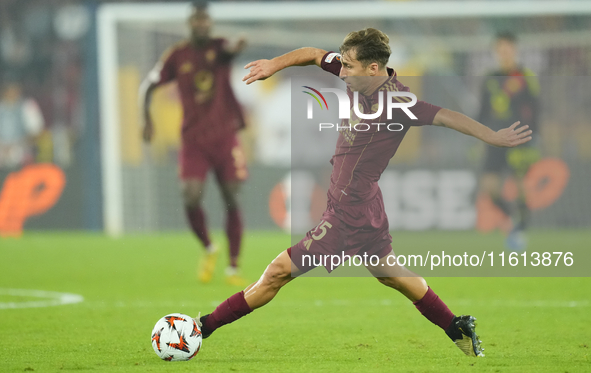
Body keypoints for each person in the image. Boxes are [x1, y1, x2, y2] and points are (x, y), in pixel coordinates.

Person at [194, 28, 533, 358]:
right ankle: (455, 326)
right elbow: (313, 54)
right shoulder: (356, 74)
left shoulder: (399, 102)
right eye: (341, 63)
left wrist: (493, 136)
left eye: (348, 67)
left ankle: (200, 328)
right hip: (365, 205)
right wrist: (274, 65)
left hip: (348, 214)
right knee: (392, 274)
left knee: (277, 273)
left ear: (373, 68)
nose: (341, 72)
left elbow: (447, 117)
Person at [140, 3, 248, 286]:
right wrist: (146, 120)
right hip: (194, 140)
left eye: (206, 21)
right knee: (189, 195)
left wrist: (237, 47)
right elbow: (147, 86)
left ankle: (233, 267)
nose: (202, 25)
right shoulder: (177, 56)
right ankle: (210, 248)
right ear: (190, 24)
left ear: (210, 23)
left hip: (225, 136)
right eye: (197, 21)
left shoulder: (220, 47)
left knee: (231, 198)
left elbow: (230, 51)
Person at [478, 32, 540, 251]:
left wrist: (533, 140)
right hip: (495, 140)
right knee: (490, 189)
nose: (504, 54)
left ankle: (522, 230)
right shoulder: (490, 78)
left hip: (519, 139)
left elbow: (535, 111)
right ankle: (513, 221)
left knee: (521, 186)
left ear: (514, 50)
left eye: (507, 50)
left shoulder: (525, 77)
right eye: (500, 50)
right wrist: (478, 136)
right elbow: (482, 111)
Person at [0, 77, 44, 170]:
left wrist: (16, 145)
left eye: (15, 89)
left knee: (19, 154)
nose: (12, 92)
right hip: (1, 149)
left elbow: (37, 133)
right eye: (8, 89)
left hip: (21, 149)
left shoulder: (28, 106)